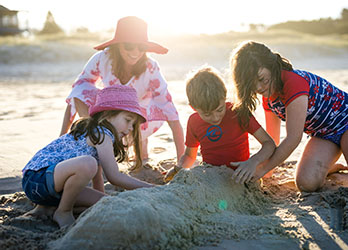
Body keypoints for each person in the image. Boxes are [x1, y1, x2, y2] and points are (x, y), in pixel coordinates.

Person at [230, 41, 348, 193]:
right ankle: (331, 165)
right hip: (323, 135)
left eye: (262, 79)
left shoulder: (293, 82)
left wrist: (262, 168)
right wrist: (265, 172)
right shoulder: (269, 97)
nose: (259, 88)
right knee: (306, 183)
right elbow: (273, 139)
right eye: (251, 84)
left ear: (272, 67)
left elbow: (293, 138)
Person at [22, 85, 154, 228]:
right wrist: (152, 188)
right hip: (38, 179)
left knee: (107, 203)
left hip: (53, 188)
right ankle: (63, 211)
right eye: (128, 120)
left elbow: (98, 175)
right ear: (107, 115)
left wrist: (100, 201)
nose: (130, 128)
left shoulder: (99, 137)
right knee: (88, 163)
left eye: (133, 124)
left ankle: (49, 208)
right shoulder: (102, 134)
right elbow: (114, 176)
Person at [60, 16, 184, 162]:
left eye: (141, 47)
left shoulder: (151, 68)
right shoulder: (103, 58)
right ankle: (92, 131)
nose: (135, 52)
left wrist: (182, 159)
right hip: (109, 114)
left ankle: (141, 146)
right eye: (129, 46)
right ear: (118, 45)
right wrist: (62, 139)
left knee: (142, 157)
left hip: (139, 115)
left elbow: (169, 109)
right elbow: (77, 92)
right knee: (81, 89)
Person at [164, 67, 275, 183]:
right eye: (207, 114)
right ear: (193, 107)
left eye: (220, 110)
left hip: (240, 177)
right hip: (211, 177)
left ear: (224, 96)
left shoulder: (238, 112)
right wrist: (178, 168)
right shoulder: (194, 121)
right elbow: (190, 156)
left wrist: (253, 162)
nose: (215, 118)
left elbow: (269, 144)